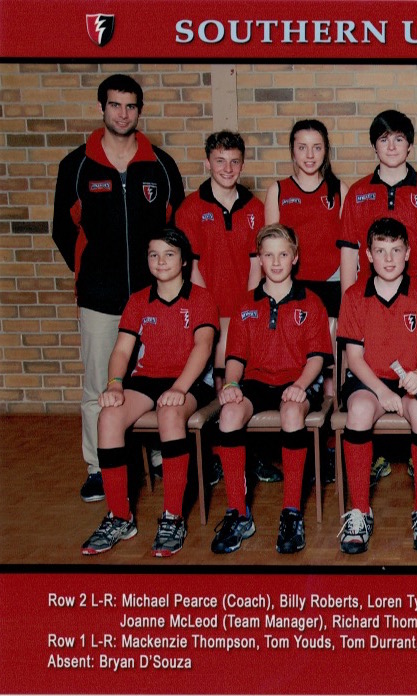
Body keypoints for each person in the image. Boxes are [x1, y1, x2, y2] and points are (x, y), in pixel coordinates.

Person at [53, 74, 185, 503]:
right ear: (101, 108)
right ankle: (98, 466)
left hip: (155, 300)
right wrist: (92, 273)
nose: (123, 114)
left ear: (139, 111)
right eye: (115, 105)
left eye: (130, 106)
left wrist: (166, 282)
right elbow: (63, 231)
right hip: (101, 299)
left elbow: (176, 231)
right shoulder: (76, 166)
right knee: (100, 386)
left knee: (157, 379)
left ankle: (162, 457)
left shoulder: (161, 165)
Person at [80, 228, 218, 556]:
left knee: (170, 413)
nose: (161, 261)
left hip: (190, 380)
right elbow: (121, 350)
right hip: (147, 379)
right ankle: (119, 516)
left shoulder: (201, 298)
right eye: (154, 255)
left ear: (184, 261)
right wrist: (115, 384)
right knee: (109, 416)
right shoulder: (138, 300)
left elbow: (203, 346)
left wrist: (179, 387)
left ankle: (172, 517)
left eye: (169, 254)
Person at [211, 224, 333, 555]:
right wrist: (231, 384)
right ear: (260, 259)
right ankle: (238, 513)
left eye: (283, 254)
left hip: (297, 380)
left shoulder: (311, 302)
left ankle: (291, 512)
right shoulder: (246, 303)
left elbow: (317, 357)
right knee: (229, 414)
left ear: (295, 257)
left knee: (292, 413)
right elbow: (235, 357)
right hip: (256, 381)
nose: (276, 262)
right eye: (268, 255)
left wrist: (300, 385)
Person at [335, 218, 417, 554]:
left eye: (396, 250)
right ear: (368, 255)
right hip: (369, 382)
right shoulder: (354, 295)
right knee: (358, 411)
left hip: (410, 380)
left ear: (408, 253)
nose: (388, 258)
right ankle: (359, 511)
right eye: (380, 251)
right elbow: (354, 358)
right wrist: (381, 392)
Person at [176, 130, 263, 389]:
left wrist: (248, 308)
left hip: (243, 310)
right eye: (220, 161)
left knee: (237, 385)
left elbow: (256, 265)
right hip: (206, 311)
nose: (228, 169)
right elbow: (190, 267)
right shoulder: (190, 208)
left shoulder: (255, 208)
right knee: (210, 386)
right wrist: (209, 312)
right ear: (207, 163)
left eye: (234, 161)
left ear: (243, 165)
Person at [339, 110, 417, 310]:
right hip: (368, 297)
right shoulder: (357, 192)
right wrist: (347, 305)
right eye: (383, 140)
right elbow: (349, 251)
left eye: (398, 139)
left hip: (416, 295)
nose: (391, 147)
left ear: (410, 145)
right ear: (374, 146)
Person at [264, 119, 348, 319]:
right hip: (291, 283)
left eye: (317, 148)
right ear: (293, 151)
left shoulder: (339, 190)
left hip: (332, 283)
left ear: (325, 151)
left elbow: (349, 248)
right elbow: (270, 247)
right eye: (302, 147)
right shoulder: (278, 191)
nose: (310, 155)